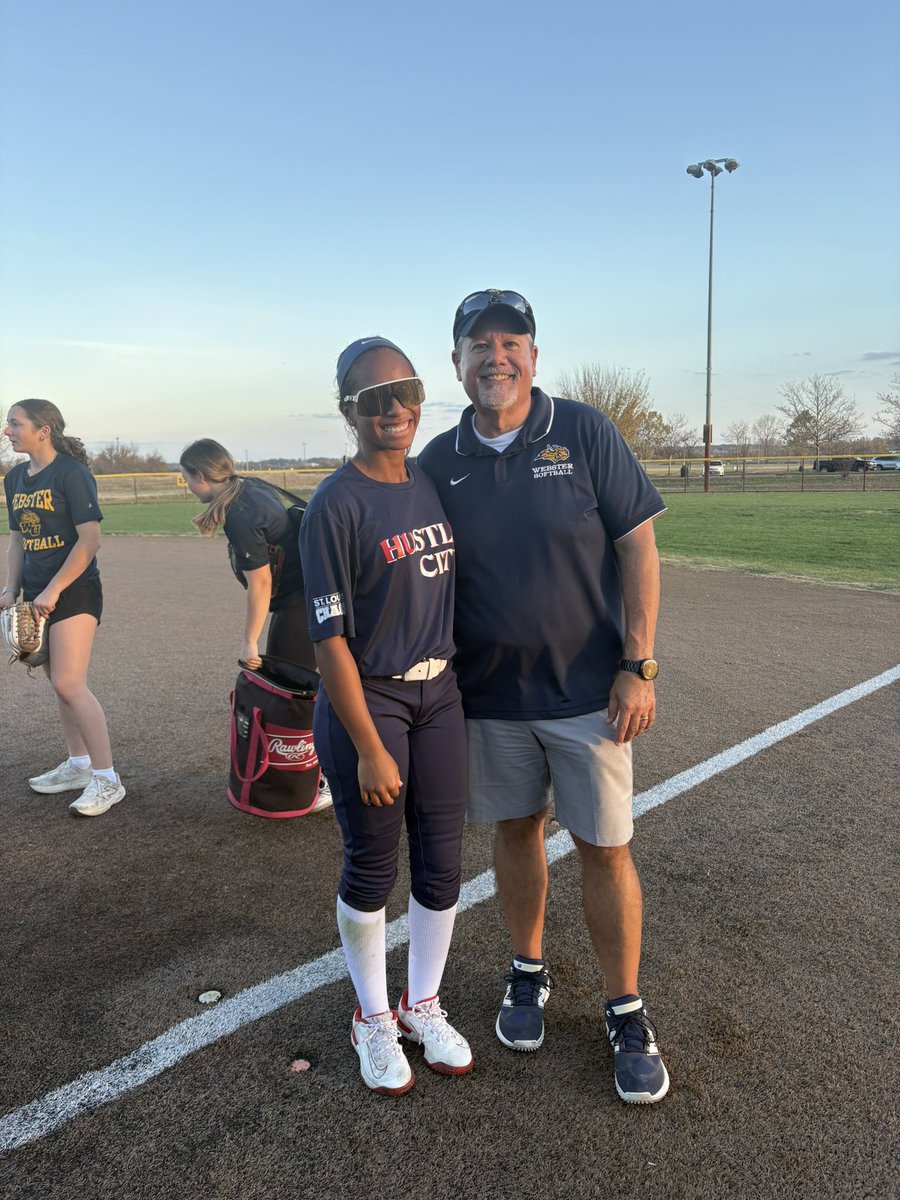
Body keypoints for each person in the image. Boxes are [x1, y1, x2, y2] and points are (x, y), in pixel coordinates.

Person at [416, 290, 670, 1104]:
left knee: (605, 848)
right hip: (489, 696)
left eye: (510, 341)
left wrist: (640, 663)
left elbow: (639, 548)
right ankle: (527, 973)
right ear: (455, 362)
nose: (495, 356)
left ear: (534, 353)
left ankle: (625, 1007)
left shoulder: (585, 430)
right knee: (517, 833)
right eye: (477, 344)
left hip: (590, 695)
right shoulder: (438, 459)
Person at [299, 337, 473, 1095]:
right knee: (372, 866)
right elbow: (327, 639)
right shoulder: (335, 505)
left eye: (405, 389)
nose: (394, 408)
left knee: (442, 861)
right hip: (369, 699)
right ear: (349, 411)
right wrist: (368, 747)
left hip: (441, 694)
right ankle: (372, 1015)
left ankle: (421, 1003)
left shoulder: (432, 481)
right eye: (374, 398)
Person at [179, 438, 331, 812]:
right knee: (308, 689)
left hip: (302, 601)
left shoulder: (240, 512)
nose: (186, 485)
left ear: (201, 474)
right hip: (305, 596)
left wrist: (249, 642)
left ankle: (322, 778)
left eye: (186, 478)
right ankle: (325, 771)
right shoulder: (244, 486)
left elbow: (260, 582)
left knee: (289, 695)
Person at [2, 399, 125, 817]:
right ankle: (77, 765)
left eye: (14, 424)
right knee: (59, 684)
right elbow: (17, 540)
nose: (7, 432)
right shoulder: (15, 477)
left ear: (43, 429)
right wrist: (9, 589)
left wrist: (53, 590)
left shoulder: (73, 474)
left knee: (71, 684)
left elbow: (89, 541)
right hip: (37, 593)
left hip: (73, 592)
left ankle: (108, 780)